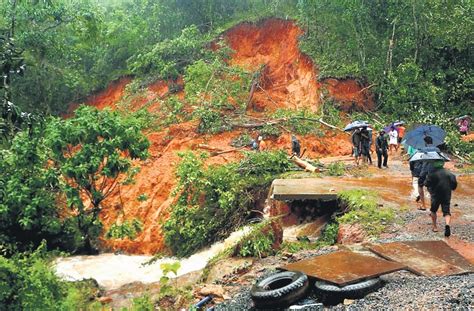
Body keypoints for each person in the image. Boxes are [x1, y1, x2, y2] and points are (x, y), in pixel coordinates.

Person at [425, 160, 457, 236]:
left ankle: (435, 227)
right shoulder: (450, 174)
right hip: (446, 194)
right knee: (446, 211)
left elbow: (426, 184)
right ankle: (447, 225)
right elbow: (454, 186)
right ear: (442, 164)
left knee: (433, 210)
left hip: (435, 195)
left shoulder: (431, 174)